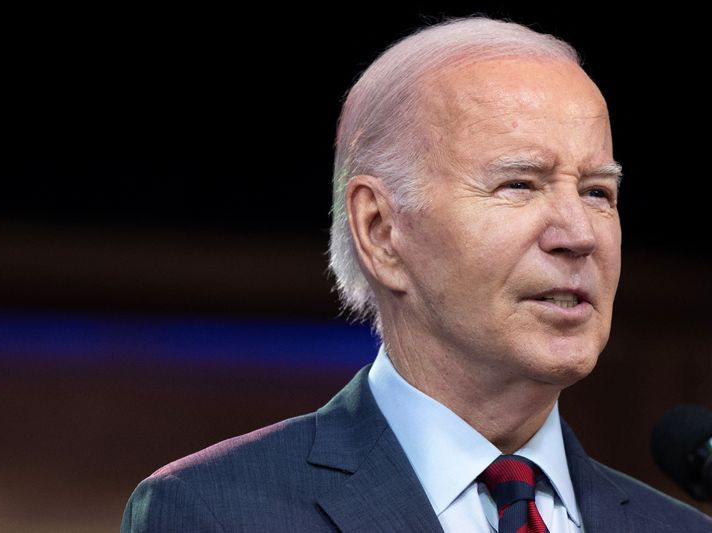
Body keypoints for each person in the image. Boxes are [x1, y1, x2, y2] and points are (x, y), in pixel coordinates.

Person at [121, 16, 712, 532]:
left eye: (597, 192)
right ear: (381, 231)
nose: (579, 235)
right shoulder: (219, 513)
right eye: (519, 185)